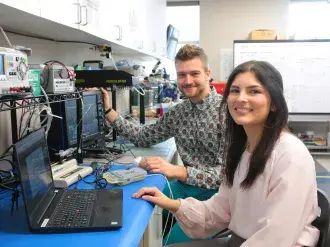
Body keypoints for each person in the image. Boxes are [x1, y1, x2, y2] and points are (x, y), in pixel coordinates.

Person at [133, 60, 320, 247]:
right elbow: (220, 210)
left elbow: (275, 237)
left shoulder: (291, 155)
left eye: (254, 91)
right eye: (235, 90)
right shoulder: (243, 149)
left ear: (274, 104)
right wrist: (170, 203)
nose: (241, 98)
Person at [101, 44, 224, 244]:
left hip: (216, 197)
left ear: (207, 74)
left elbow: (224, 176)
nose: (188, 81)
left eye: (194, 73)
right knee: (135, 199)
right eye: (182, 75)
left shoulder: (227, 113)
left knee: (173, 244)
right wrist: (108, 111)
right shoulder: (178, 112)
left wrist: (177, 171)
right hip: (186, 187)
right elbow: (144, 137)